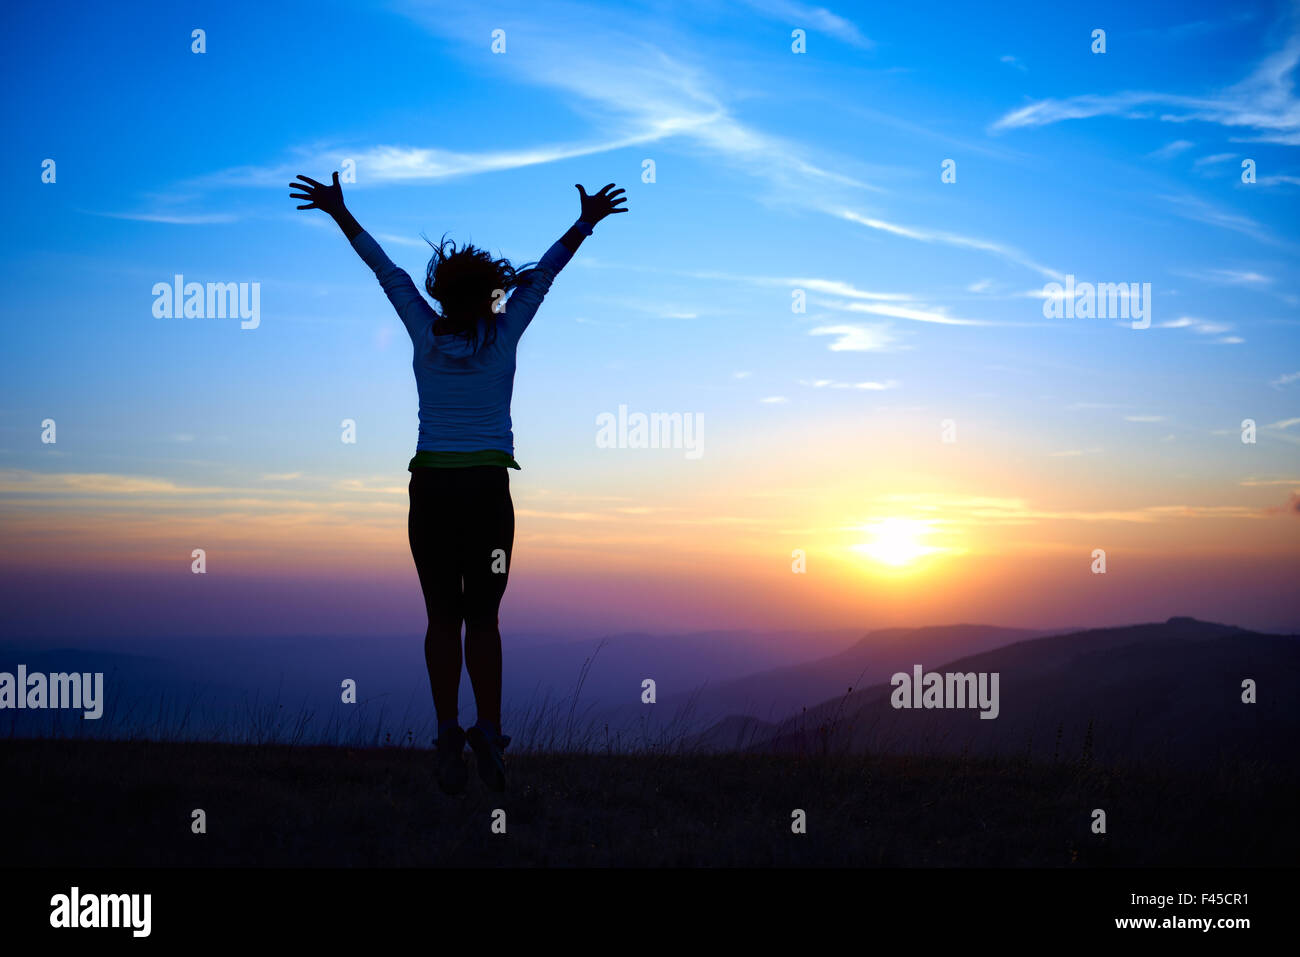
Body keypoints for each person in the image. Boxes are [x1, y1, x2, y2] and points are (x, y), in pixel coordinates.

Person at [290, 173, 627, 793]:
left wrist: (340, 212)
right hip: (488, 495)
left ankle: (447, 730)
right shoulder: (505, 333)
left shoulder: (423, 329)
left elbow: (384, 270)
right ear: (490, 294)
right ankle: (490, 734)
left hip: (433, 495)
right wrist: (587, 222)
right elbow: (546, 274)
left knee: (441, 618)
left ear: (441, 293)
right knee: (486, 620)